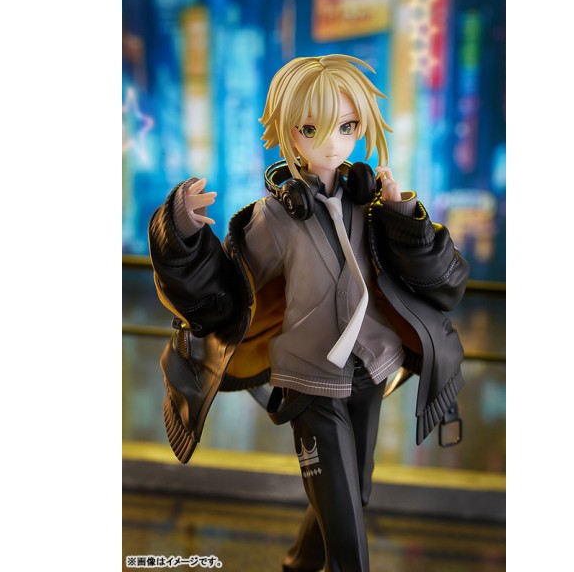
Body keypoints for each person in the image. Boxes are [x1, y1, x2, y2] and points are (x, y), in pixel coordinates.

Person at [148, 54, 470, 572]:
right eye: (311, 128)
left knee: (353, 494)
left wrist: (404, 217)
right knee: (346, 532)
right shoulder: (275, 218)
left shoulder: (371, 204)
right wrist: (182, 236)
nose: (332, 143)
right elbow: (224, 292)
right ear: (288, 132)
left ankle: (297, 566)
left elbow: (444, 279)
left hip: (371, 369)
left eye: (347, 127)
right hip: (310, 381)